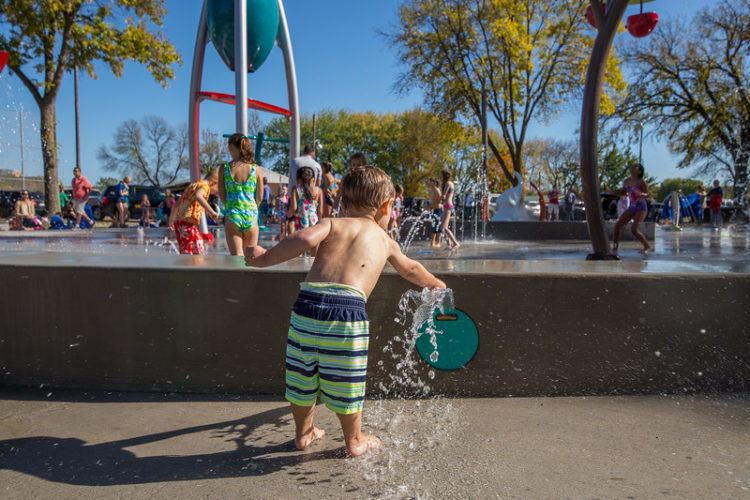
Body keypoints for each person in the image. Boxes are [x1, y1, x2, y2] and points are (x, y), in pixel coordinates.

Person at [243, 165, 446, 457]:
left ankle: (303, 433)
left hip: (307, 306)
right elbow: (411, 269)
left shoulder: (332, 223)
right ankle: (354, 440)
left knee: (302, 376)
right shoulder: (385, 241)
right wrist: (434, 283)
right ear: (387, 205)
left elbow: (302, 240)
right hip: (347, 313)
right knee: (347, 380)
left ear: (344, 202)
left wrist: (264, 258)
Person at [219, 134, 263, 256]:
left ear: (231, 147)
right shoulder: (255, 168)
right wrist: (252, 209)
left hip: (233, 214)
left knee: (236, 259)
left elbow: (222, 195)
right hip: (251, 215)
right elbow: (259, 197)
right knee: (251, 259)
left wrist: (231, 207)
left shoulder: (225, 168)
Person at [169, 169, 220, 255]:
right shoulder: (205, 186)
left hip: (180, 224)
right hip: (188, 224)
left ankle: (190, 267)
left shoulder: (193, 185)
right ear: (214, 182)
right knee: (194, 253)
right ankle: (192, 268)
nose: (216, 193)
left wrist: (171, 220)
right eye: (217, 189)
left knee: (192, 251)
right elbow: (198, 196)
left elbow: (176, 205)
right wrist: (212, 211)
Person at [608, 163, 652, 254]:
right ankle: (615, 248)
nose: (632, 166)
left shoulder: (641, 182)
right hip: (632, 207)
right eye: (633, 165)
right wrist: (613, 192)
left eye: (635, 166)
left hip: (641, 207)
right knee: (617, 227)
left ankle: (647, 247)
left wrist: (642, 194)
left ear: (639, 171)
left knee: (634, 229)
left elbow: (648, 194)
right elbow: (623, 193)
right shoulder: (626, 181)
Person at [287, 144, 322, 235]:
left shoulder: (294, 161)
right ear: (313, 154)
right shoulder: (317, 165)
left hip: (300, 224)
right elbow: (320, 211)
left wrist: (288, 215)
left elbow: (291, 177)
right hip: (314, 224)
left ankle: (291, 245)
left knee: (291, 222)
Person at [439, 170, 461, 249]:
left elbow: (444, 196)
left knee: (444, 227)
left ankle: (456, 243)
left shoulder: (448, 183)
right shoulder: (451, 183)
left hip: (448, 206)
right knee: (442, 226)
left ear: (445, 176)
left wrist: (439, 198)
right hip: (448, 206)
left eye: (441, 175)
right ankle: (449, 244)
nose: (440, 177)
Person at [427, 178, 443, 248]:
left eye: (430, 182)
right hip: (433, 209)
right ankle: (432, 242)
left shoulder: (437, 190)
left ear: (435, 183)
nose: (428, 183)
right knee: (433, 225)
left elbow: (440, 200)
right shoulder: (431, 191)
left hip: (438, 210)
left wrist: (432, 205)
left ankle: (439, 242)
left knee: (438, 226)